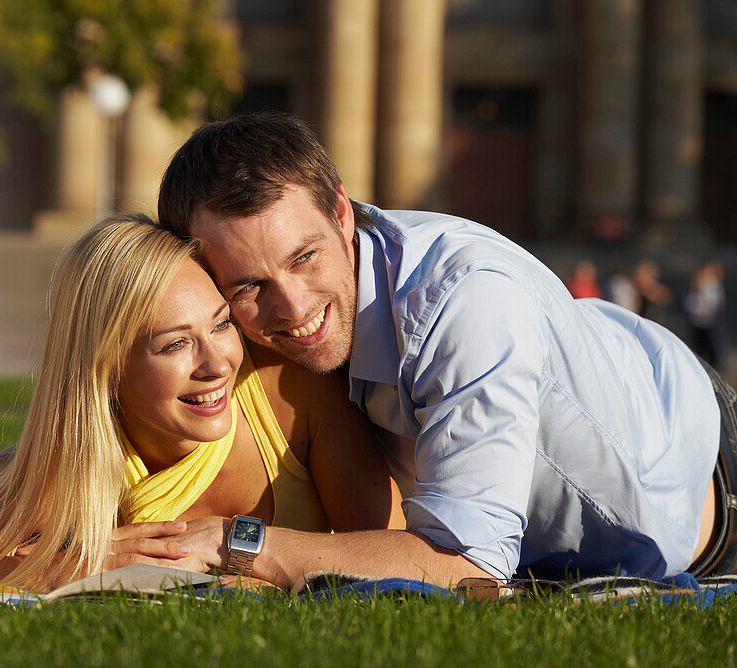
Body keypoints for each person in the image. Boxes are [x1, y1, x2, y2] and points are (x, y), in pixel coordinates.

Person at [156, 112, 736, 588]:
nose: (292, 307)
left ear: (341, 213)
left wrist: (235, 542)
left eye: (304, 257)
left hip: (707, 483)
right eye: (248, 286)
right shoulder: (239, 328)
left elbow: (467, 569)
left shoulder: (462, 302)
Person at [0, 214, 401, 590]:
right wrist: (63, 566)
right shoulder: (83, 469)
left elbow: (394, 556)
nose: (217, 363)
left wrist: (245, 549)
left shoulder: (291, 394)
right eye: (174, 344)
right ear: (106, 371)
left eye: (220, 325)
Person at [684, 261, 726, 369]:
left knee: (712, 348)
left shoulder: (714, 286)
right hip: (697, 322)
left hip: (710, 322)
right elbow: (691, 303)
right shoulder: (695, 285)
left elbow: (715, 303)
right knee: (698, 348)